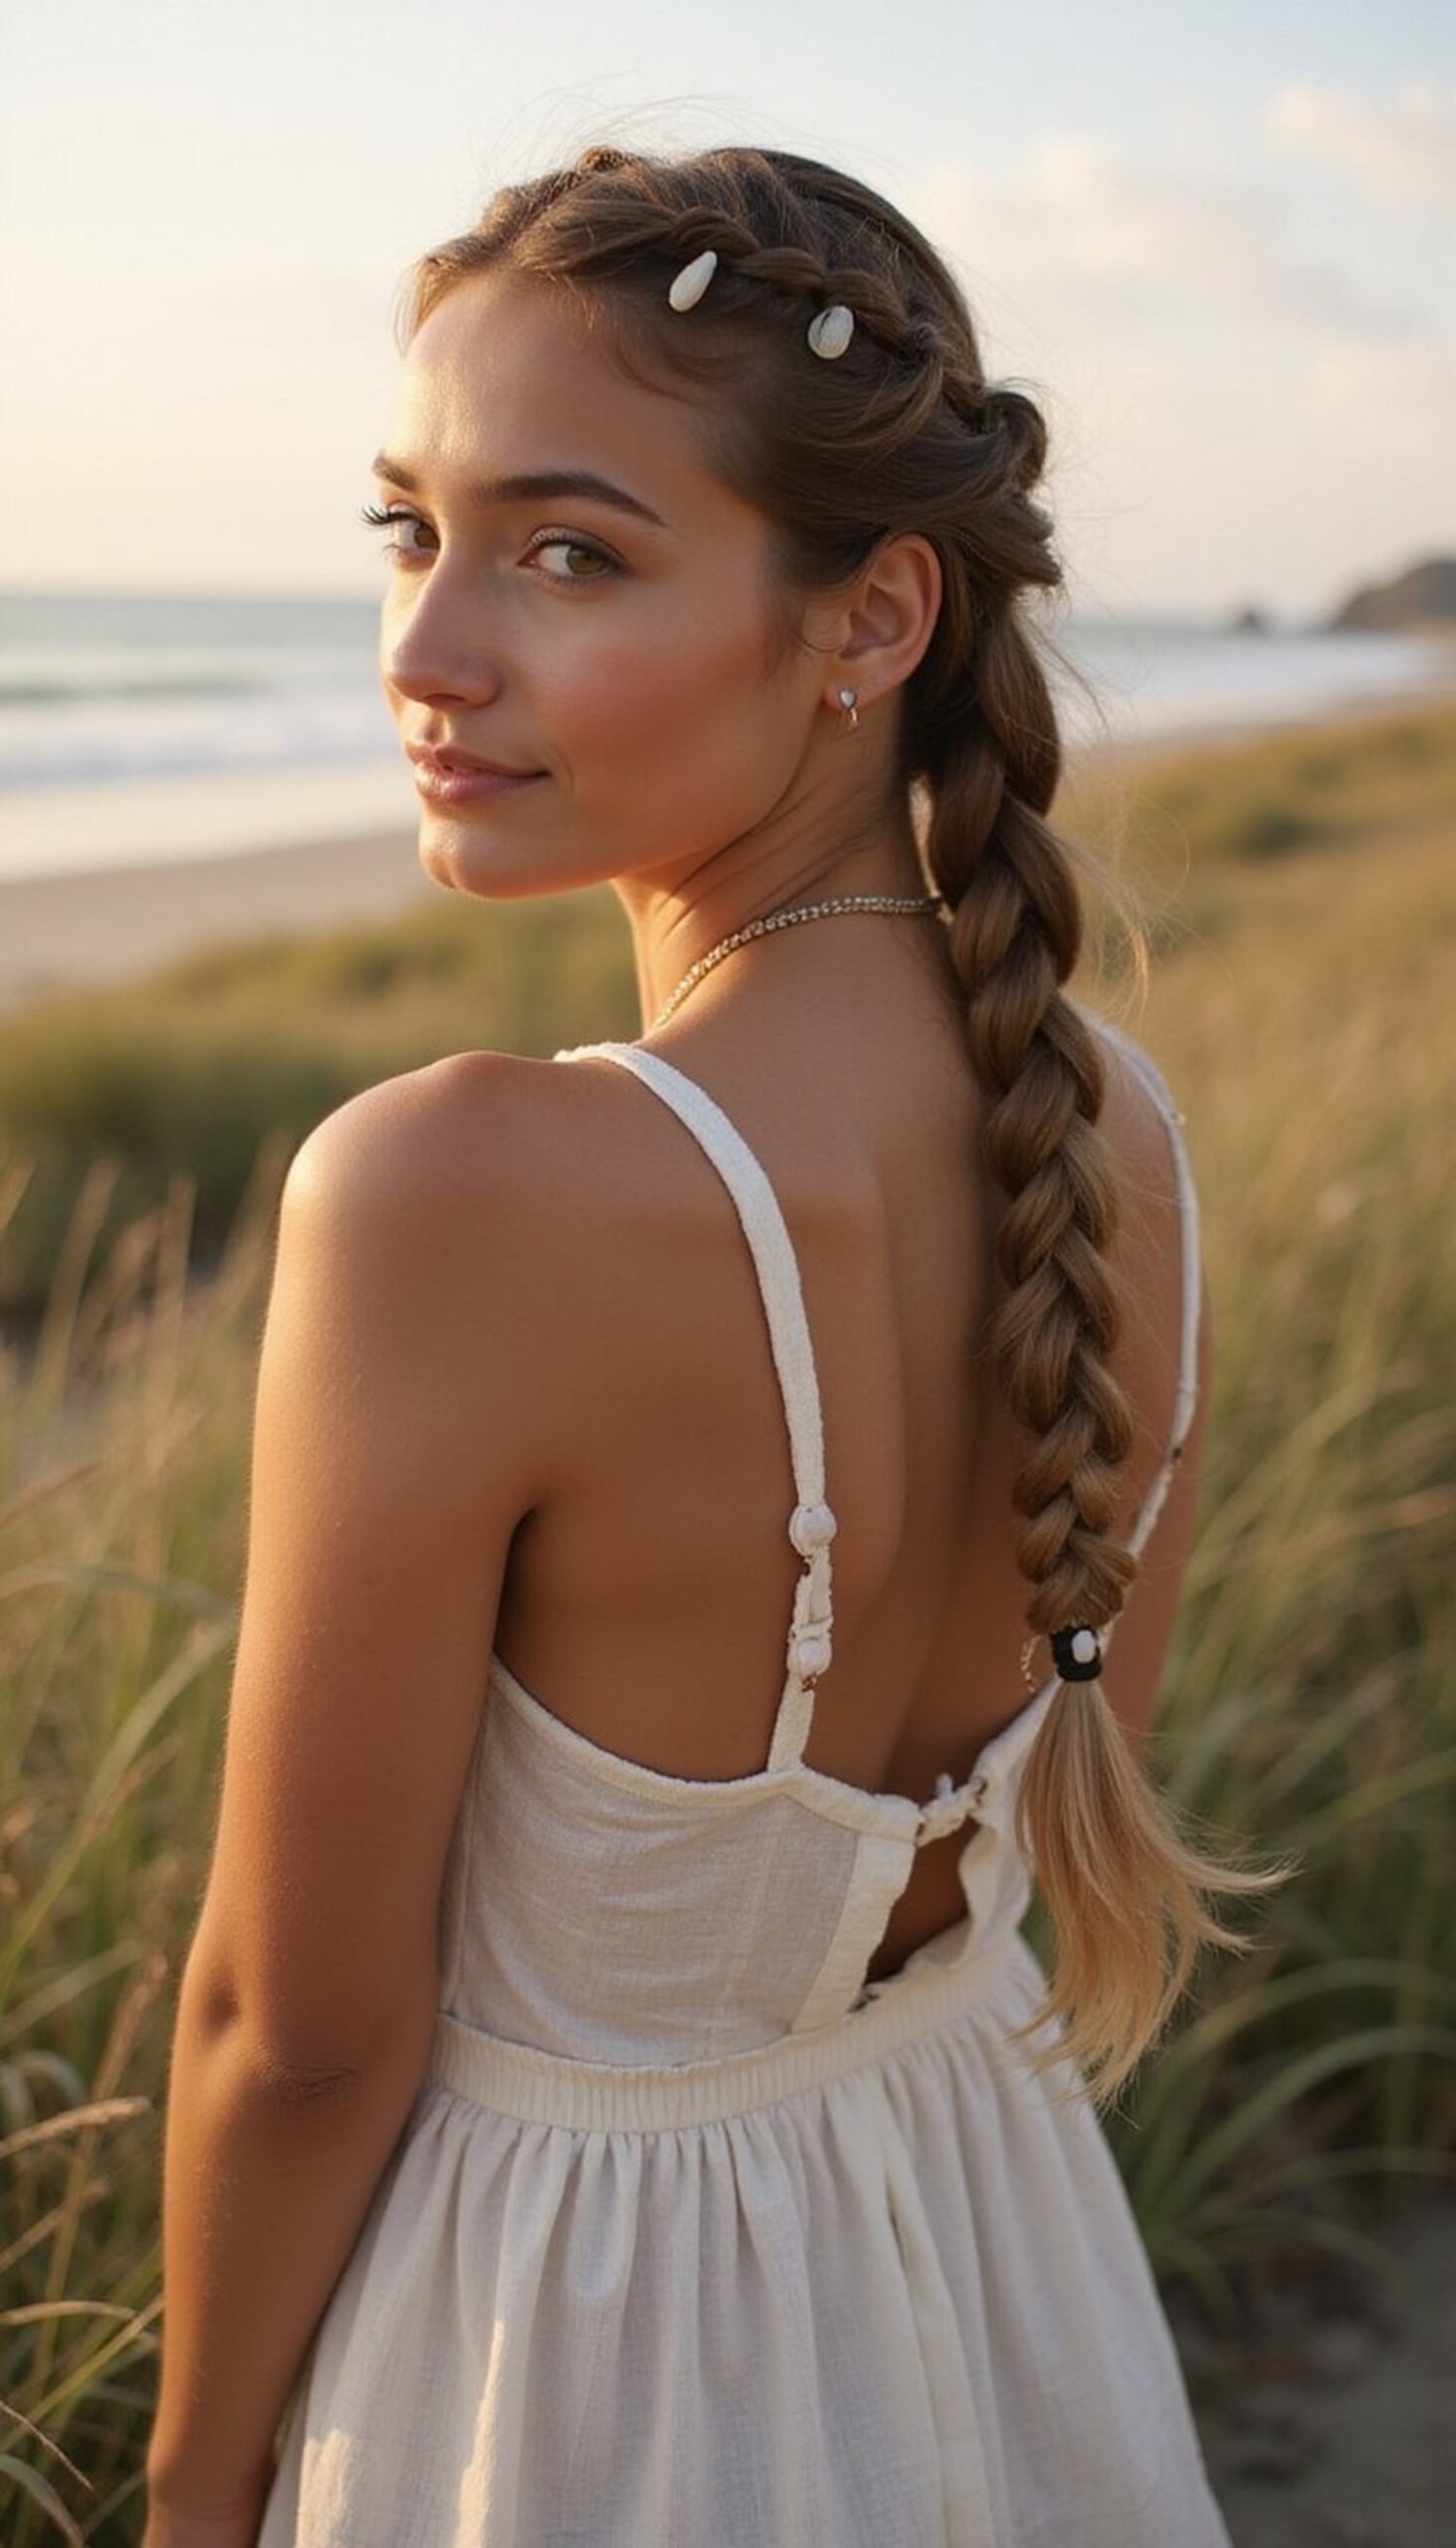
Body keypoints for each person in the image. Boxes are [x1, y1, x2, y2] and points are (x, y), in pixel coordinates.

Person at [145, 141, 1282, 2548]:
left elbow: (298, 2030)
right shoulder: (1121, 1134)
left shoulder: (458, 1193)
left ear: (870, 616)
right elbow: (1064, 1808)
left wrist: (196, 2478)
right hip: (989, 2264)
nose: (428, 651)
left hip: (566, 2370)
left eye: (568, 555)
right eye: (411, 531)